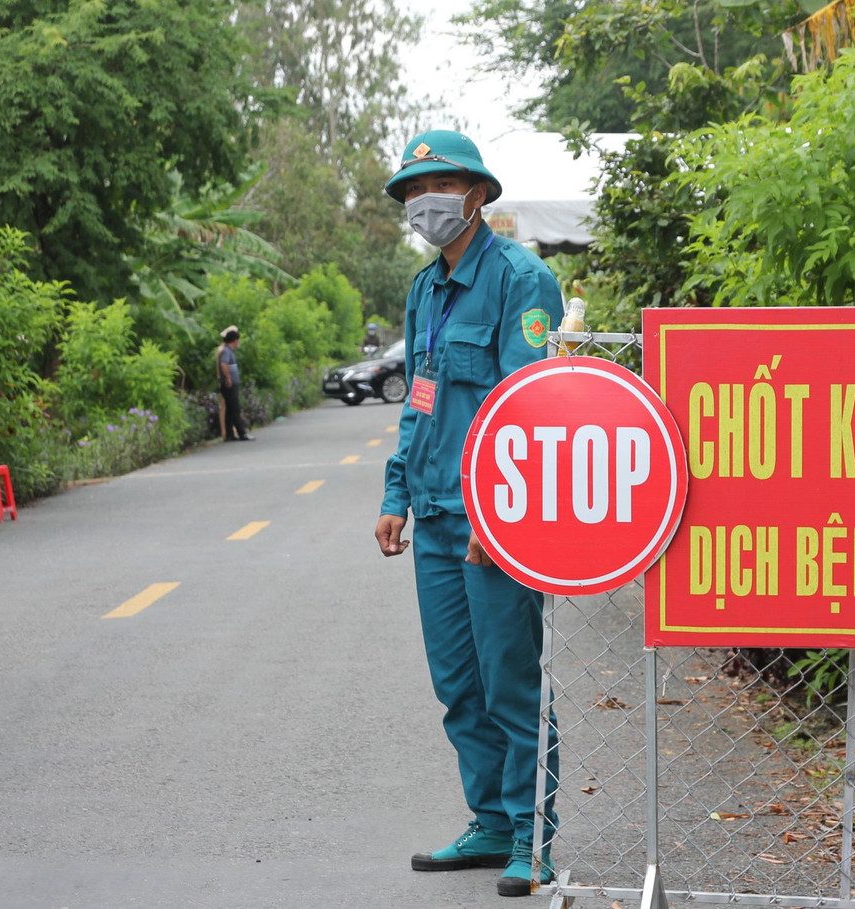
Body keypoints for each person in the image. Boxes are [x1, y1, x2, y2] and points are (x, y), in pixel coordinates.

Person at [374, 130, 563, 898]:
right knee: (459, 682)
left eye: (439, 185)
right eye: (413, 191)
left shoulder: (523, 278)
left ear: (478, 193)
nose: (425, 203)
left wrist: (501, 517)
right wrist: (395, 492)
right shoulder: (424, 290)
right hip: (435, 516)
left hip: (496, 523)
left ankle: (530, 833)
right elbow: (422, 393)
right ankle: (488, 819)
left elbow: (530, 408)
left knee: (511, 679)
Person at [215, 326, 252, 442]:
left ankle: (230, 434)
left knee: (230, 411)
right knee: (235, 409)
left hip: (231, 384)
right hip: (229, 384)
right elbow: (224, 365)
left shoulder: (229, 352)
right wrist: (228, 378)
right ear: (235, 340)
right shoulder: (226, 351)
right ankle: (242, 433)